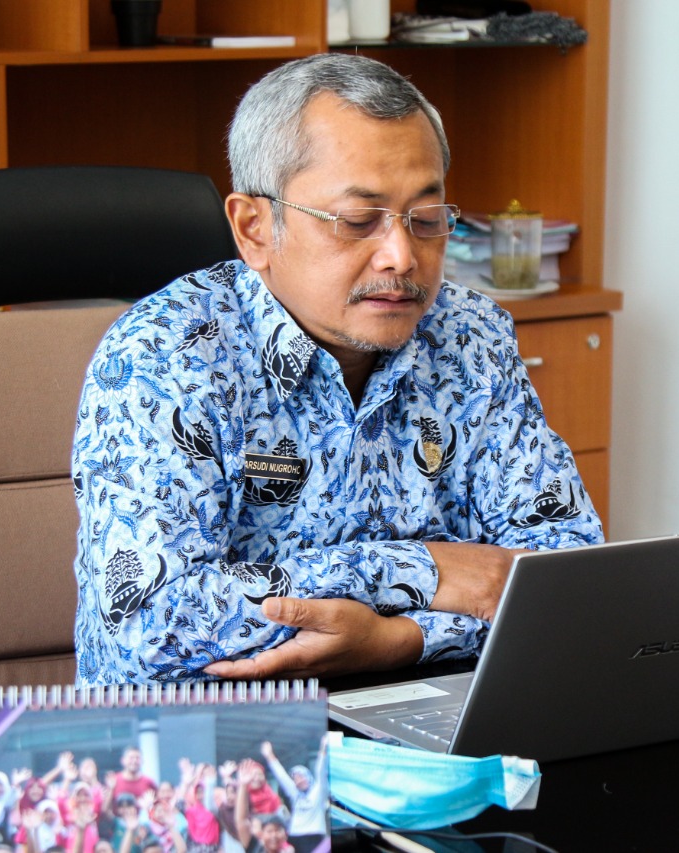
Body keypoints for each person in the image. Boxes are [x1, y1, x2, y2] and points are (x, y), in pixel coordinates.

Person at [72, 52, 603, 686]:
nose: (401, 256)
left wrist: (398, 641)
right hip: (204, 728)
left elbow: (564, 579)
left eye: (426, 220)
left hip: (430, 701)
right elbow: (152, 623)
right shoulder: (166, 354)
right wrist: (424, 570)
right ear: (255, 228)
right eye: (358, 221)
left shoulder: (471, 334)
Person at [258, 741, 326, 853]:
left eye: (301, 777)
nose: (299, 781)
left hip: (314, 836)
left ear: (308, 776)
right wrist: (269, 755)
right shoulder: (295, 794)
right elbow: (282, 776)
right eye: (296, 779)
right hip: (295, 836)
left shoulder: (318, 791)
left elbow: (321, 771)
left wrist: (323, 749)